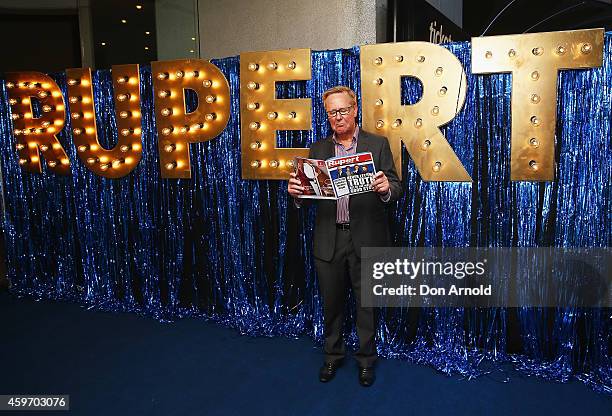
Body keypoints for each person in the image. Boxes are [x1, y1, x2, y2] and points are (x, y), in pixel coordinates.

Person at [288, 86, 403, 387]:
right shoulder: (318, 150)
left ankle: (366, 360)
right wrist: (298, 194)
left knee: (367, 303)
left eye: (342, 111)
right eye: (331, 113)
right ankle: (332, 355)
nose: (337, 117)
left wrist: (385, 188)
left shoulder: (377, 145)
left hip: (366, 237)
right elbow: (308, 195)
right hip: (330, 238)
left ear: (354, 110)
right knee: (331, 302)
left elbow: (395, 185)